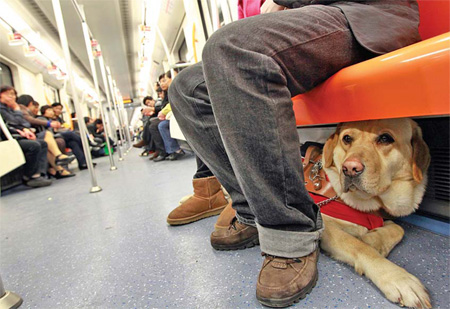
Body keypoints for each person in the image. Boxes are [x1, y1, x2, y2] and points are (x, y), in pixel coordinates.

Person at [168, 0, 421, 306]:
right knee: (186, 88)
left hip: (365, 12)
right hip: (317, 16)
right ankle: (252, 210)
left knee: (234, 46)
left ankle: (290, 233)